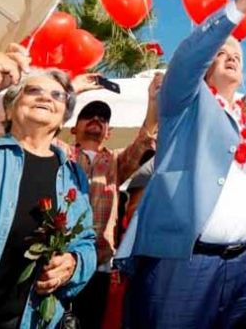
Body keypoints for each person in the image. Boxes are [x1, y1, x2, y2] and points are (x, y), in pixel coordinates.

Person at [117, 0, 246, 328]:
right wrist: (242, 4)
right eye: (222, 52)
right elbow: (187, 60)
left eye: (237, 53)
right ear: (206, 67)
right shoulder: (184, 105)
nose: (232, 56)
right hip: (182, 265)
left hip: (239, 270)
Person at [0, 44, 96, 328]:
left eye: (57, 95)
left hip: (30, 320)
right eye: (33, 90)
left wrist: (73, 264)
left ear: (64, 115)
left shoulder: (72, 175)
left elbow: (86, 243)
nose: (45, 98)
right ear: (10, 107)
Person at [68, 73, 161, 329]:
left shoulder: (116, 163)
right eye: (89, 114)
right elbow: (45, 126)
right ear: (74, 127)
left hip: (98, 265)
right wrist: (72, 90)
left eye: (104, 118)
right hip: (56, 261)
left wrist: (153, 101)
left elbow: (145, 138)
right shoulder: (59, 153)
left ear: (109, 132)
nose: (97, 118)